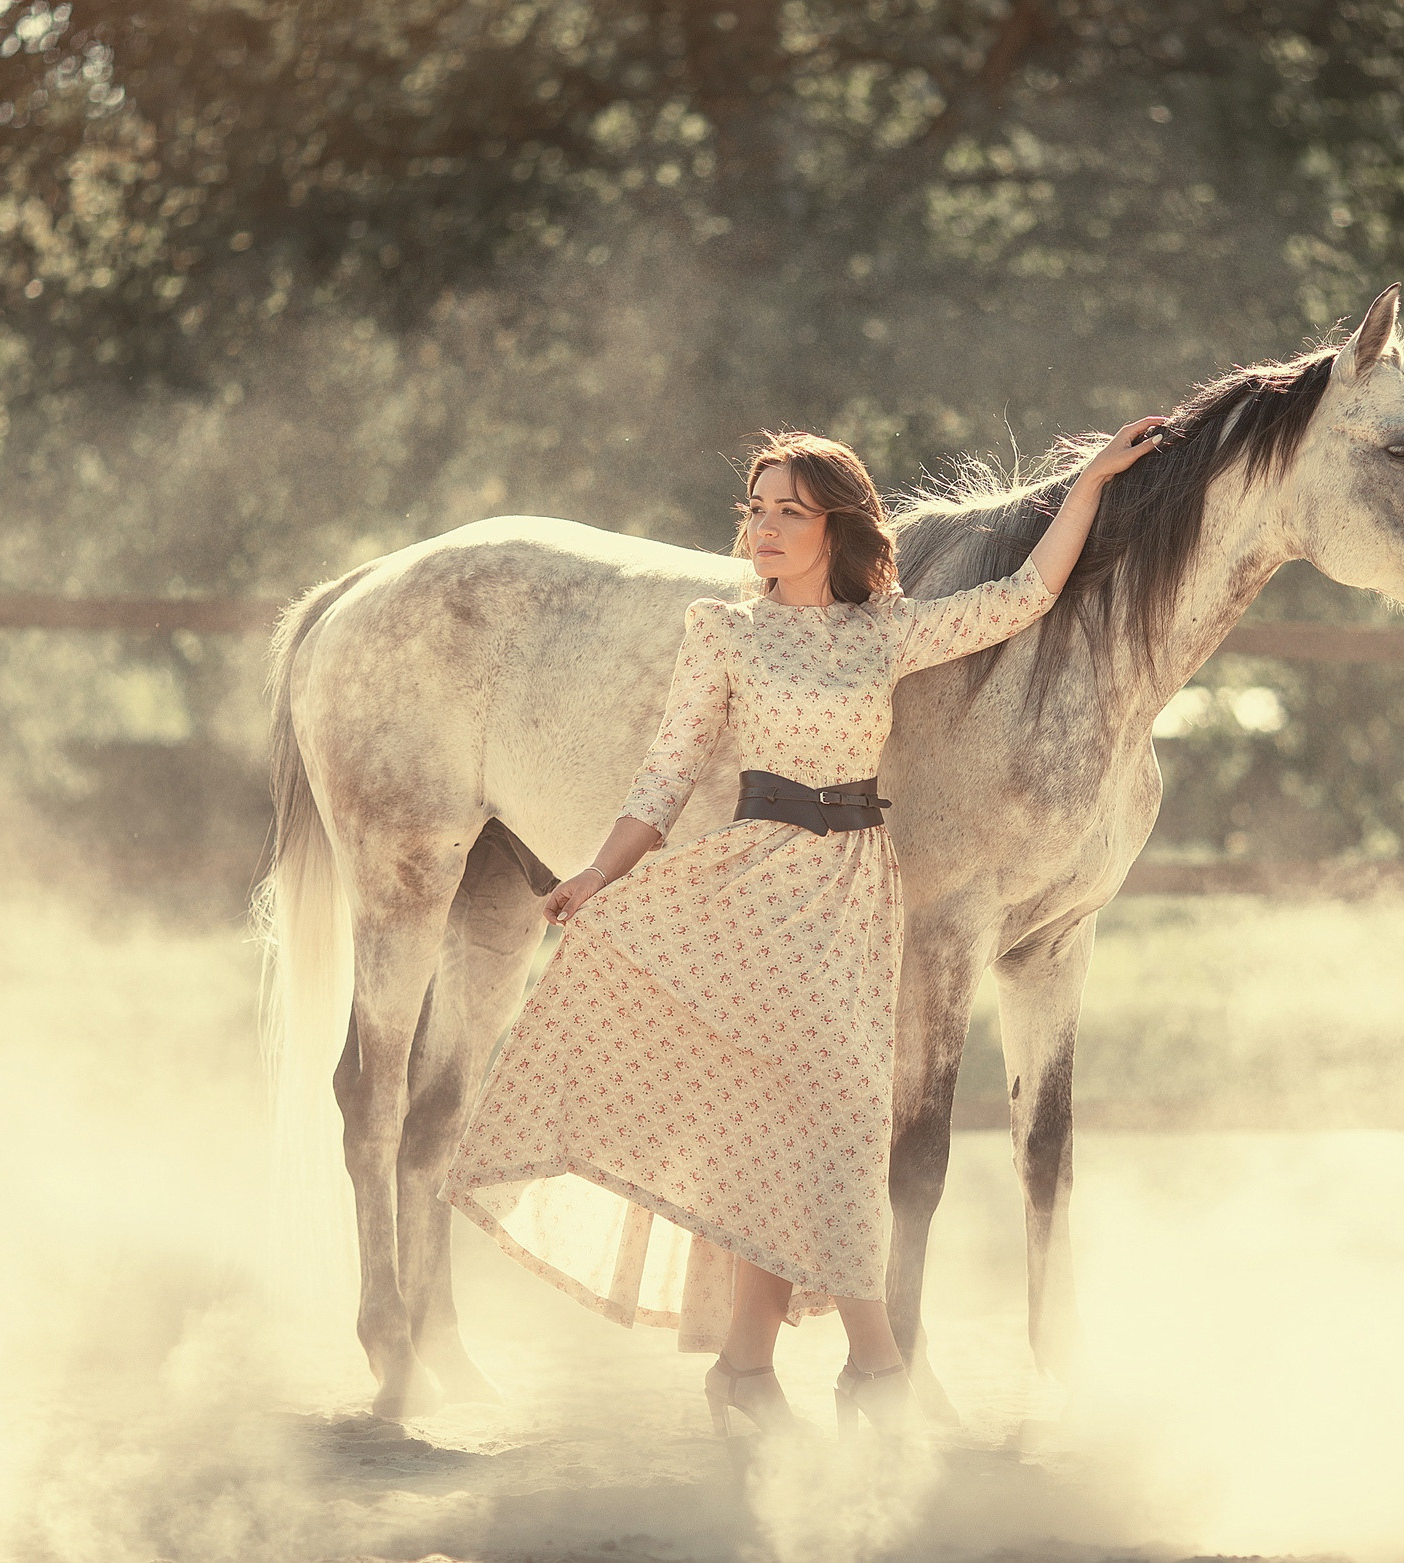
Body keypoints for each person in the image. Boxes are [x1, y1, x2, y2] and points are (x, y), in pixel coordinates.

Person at [437, 417, 1166, 1441]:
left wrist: (1087, 483)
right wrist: (596, 872)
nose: (764, 528)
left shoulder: (885, 631)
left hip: (855, 891)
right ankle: (876, 1365)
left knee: (803, 1133)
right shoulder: (725, 632)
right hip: (758, 889)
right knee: (831, 1128)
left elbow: (1025, 596)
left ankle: (745, 1368)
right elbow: (666, 772)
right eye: (756, 509)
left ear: (838, 527)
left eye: (789, 511)